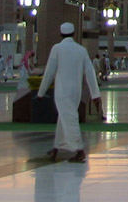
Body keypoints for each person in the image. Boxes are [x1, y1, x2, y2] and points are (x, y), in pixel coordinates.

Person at [36, 22, 102, 163]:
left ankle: (79, 150)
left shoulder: (57, 48)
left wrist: (41, 92)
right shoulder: (81, 50)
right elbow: (90, 72)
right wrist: (95, 94)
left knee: (69, 118)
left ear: (61, 34)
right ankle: (56, 147)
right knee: (65, 117)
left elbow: (49, 72)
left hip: (62, 91)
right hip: (76, 91)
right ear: (73, 34)